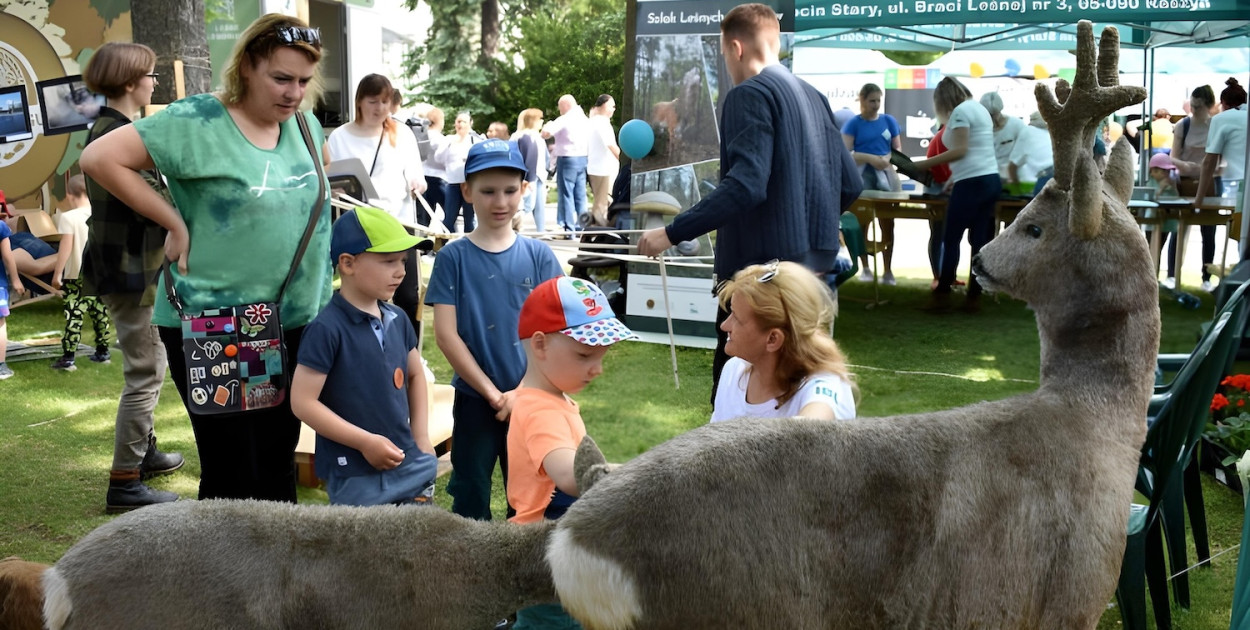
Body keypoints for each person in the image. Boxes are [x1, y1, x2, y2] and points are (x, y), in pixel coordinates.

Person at [80, 13, 334, 503]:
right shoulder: (197, 120)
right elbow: (98, 159)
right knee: (234, 474)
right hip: (219, 324)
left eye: (304, 81)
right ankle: (224, 558)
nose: (294, 93)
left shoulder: (304, 126)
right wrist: (173, 220)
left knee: (277, 459)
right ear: (247, 68)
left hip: (296, 320)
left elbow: (318, 179)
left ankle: (275, 556)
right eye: (281, 78)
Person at [636, 2, 861, 403]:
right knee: (801, 397)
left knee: (736, 401)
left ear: (735, 49)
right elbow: (850, 184)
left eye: (725, 56)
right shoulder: (814, 97)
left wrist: (670, 233)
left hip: (759, 283)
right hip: (812, 282)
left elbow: (745, 185)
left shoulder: (747, 95)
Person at [426, 139, 564, 520]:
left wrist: (522, 393)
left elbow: (558, 332)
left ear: (524, 189)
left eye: (509, 190)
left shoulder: (539, 256)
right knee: (470, 495)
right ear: (467, 191)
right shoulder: (452, 258)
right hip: (475, 400)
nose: (500, 202)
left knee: (533, 498)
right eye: (488, 191)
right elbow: (446, 335)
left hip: (533, 399)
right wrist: (493, 394)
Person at [79, 40, 184, 512]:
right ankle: (124, 481)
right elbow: (152, 202)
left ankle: (145, 453)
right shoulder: (115, 134)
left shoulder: (111, 128)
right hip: (130, 272)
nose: (154, 82)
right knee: (146, 371)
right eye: (150, 75)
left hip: (128, 268)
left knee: (147, 363)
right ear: (129, 82)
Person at [507, 275, 634, 629]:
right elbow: (567, 475)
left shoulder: (549, 399)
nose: (598, 368)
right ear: (540, 345)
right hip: (548, 555)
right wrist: (630, 475)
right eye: (584, 355)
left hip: (552, 548)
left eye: (602, 356)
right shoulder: (541, 412)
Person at [291, 206, 438, 506]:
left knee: (418, 535)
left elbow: (415, 374)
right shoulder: (326, 329)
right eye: (388, 261)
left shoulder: (398, 318)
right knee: (365, 538)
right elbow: (303, 402)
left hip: (408, 460)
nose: (401, 271)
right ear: (348, 264)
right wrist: (364, 442)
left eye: (403, 260)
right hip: (355, 474)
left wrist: (421, 436)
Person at [326, 74, 426, 335]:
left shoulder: (402, 133)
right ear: (360, 101)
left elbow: (416, 175)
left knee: (407, 294)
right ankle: (363, 343)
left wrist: (417, 183)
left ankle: (409, 348)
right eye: (373, 101)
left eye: (385, 102)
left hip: (398, 223)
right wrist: (334, 188)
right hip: (360, 226)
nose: (380, 108)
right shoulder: (339, 137)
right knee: (362, 292)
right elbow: (331, 178)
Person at [711, 260, 855, 421]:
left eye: (737, 318)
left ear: (773, 339)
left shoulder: (824, 384)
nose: (724, 325)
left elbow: (817, 417)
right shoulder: (734, 371)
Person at [912, 76, 1002, 313]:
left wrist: (922, 164)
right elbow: (978, 150)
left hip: (971, 183)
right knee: (979, 241)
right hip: (988, 180)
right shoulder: (978, 109)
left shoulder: (960, 112)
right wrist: (956, 177)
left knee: (951, 239)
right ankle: (974, 297)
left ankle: (942, 294)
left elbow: (961, 150)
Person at [50, 174, 113, 371]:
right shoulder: (101, 214)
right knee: (100, 312)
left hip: (76, 274)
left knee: (74, 314)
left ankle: (69, 357)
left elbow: (66, 247)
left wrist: (57, 273)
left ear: (70, 195)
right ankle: (103, 351)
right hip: (100, 273)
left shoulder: (69, 218)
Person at [841, 82, 901, 285]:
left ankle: (888, 270)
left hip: (886, 178)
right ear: (862, 100)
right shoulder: (853, 124)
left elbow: (898, 151)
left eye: (878, 101)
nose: (875, 105)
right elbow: (846, 154)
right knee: (862, 224)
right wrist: (868, 158)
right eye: (872, 101)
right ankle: (865, 268)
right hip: (862, 178)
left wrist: (886, 159)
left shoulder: (889, 121)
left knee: (888, 223)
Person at [1165, 85, 1217, 290]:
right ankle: (1171, 274)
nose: (1194, 110)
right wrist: (1185, 165)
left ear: (1209, 106)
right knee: (1178, 229)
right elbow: (1172, 157)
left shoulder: (1215, 126)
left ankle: (1206, 277)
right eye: (1192, 106)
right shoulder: (1183, 125)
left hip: (1209, 183)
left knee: (1209, 231)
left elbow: (1221, 159)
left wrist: (1210, 168)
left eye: (1198, 106)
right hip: (1184, 181)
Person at [1197, 78, 1247, 259]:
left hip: (1236, 185)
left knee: (1241, 236)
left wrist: (1199, 198)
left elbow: (1209, 161)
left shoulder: (1221, 119)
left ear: (1223, 103)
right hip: (1241, 182)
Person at [542, 94, 590, 234]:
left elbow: (546, 133)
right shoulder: (584, 119)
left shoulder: (565, 119)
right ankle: (582, 226)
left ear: (565, 105)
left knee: (566, 194)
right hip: (583, 158)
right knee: (581, 195)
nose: (559, 110)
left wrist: (548, 125)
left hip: (567, 158)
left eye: (560, 107)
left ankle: (568, 228)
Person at [435, 111, 479, 233]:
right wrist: (448, 145)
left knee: (469, 219)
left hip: (469, 183)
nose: (460, 124)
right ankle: (446, 242)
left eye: (464, 121)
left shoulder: (475, 140)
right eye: (458, 121)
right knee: (449, 217)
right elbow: (438, 158)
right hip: (452, 182)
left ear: (470, 124)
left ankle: (470, 242)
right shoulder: (449, 139)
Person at [587, 94, 620, 227]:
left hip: (597, 167)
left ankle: (595, 229)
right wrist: (625, 159)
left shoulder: (593, 121)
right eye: (612, 106)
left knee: (602, 201)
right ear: (605, 106)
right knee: (601, 203)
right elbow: (611, 145)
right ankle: (597, 230)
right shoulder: (602, 123)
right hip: (602, 169)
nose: (614, 109)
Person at [979, 92, 1026, 185]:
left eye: (995, 114)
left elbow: (1026, 150)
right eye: (988, 116)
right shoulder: (980, 131)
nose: (993, 119)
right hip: (991, 177)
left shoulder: (1017, 125)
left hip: (1016, 175)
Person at [515, 107, 549, 233]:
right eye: (540, 119)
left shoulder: (538, 137)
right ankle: (513, 225)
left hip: (539, 174)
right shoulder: (523, 136)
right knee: (527, 204)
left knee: (539, 205)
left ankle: (541, 230)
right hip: (529, 176)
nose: (542, 122)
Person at [1004, 112, 1053, 197]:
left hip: (1046, 177)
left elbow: (1012, 166)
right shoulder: (1052, 133)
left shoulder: (1027, 131)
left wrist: (1015, 184)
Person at [0, 218, 23, 380]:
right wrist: (15, 279)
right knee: (0, 323)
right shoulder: (1, 227)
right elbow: (7, 256)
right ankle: (1, 366)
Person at [418, 105, 448, 226]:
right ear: (439, 121)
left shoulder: (421, 137)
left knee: (424, 217)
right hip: (440, 178)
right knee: (449, 214)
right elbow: (445, 160)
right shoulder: (442, 139)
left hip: (423, 176)